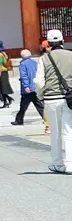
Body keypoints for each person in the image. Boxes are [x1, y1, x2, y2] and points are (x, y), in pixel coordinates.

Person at [40, 30, 72, 174]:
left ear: (48, 43)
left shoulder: (44, 59)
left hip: (51, 99)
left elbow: (39, 81)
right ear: (62, 41)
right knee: (68, 131)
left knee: (56, 132)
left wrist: (41, 95)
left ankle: (58, 163)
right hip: (68, 98)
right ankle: (70, 163)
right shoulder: (71, 55)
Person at [13, 49, 47, 127]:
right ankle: (47, 119)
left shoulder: (23, 64)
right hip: (35, 86)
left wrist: (26, 86)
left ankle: (19, 120)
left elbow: (24, 76)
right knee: (39, 105)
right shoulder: (35, 63)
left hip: (28, 89)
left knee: (23, 106)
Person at [0, 41, 14, 108]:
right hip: (5, 72)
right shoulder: (4, 53)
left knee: (1, 89)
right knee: (3, 88)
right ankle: (8, 99)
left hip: (1, 72)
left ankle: (6, 102)